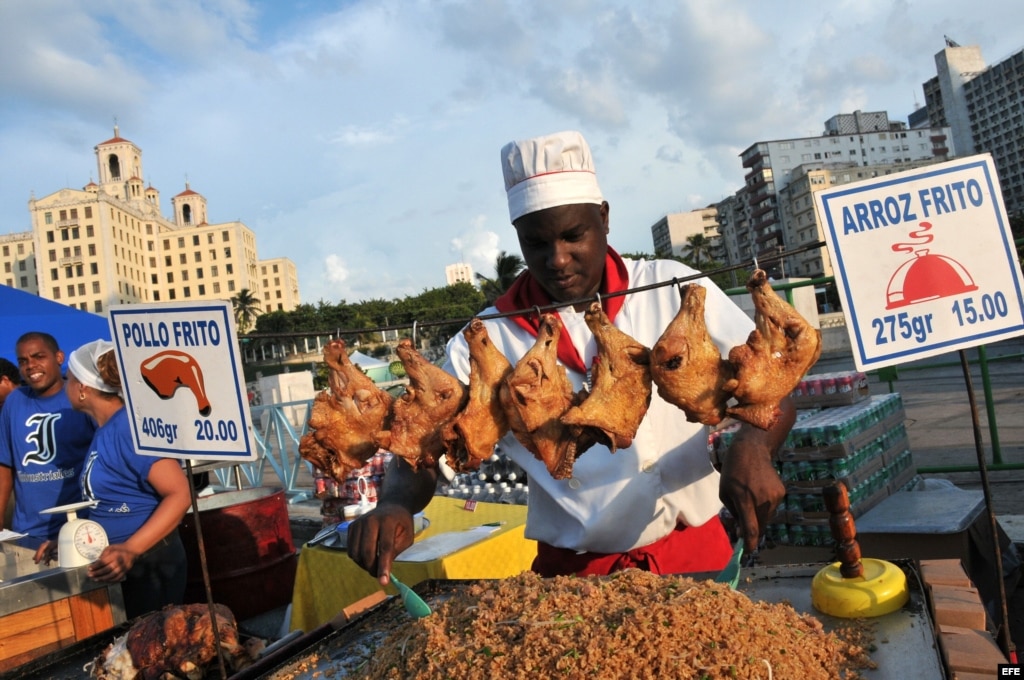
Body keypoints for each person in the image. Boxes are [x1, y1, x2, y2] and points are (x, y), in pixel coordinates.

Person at [348, 130, 795, 583]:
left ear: (603, 218)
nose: (558, 260)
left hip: (693, 553)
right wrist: (394, 504)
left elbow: (774, 383)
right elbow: (420, 451)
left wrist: (753, 446)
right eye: (537, 245)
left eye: (573, 236)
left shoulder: (674, 290)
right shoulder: (484, 341)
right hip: (573, 576)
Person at [41, 339, 190, 619]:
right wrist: (70, 540)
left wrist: (130, 550)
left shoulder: (127, 428)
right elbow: (110, 501)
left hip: (151, 564)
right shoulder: (105, 430)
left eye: (68, 379)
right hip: (125, 566)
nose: (64, 387)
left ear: (83, 388)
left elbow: (180, 493)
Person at [0, 332, 96, 550]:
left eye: (38, 357)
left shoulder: (80, 397)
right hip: (28, 532)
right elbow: (4, 465)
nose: (31, 365)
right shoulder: (15, 400)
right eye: (23, 361)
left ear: (59, 358)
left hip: (79, 529)